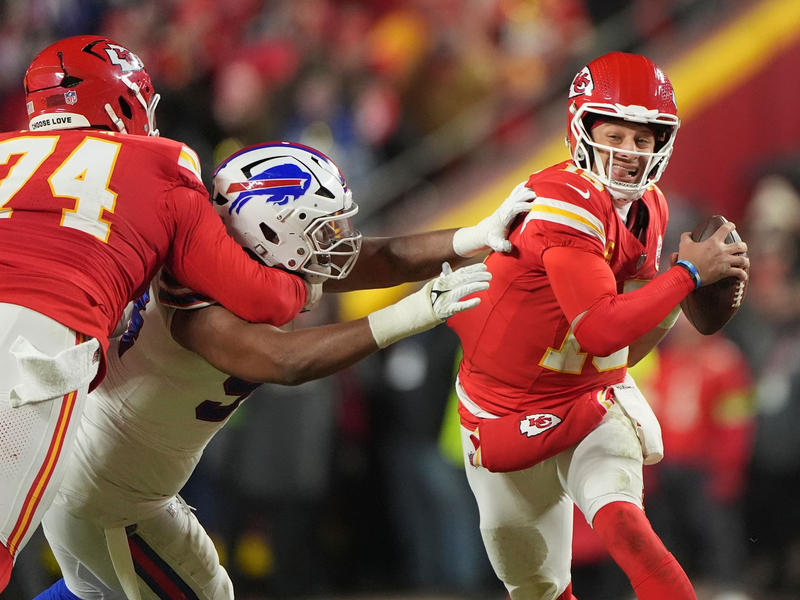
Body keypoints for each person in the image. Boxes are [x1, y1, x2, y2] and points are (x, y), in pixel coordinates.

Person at [32, 140, 532, 600]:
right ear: (269, 232)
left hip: (120, 483)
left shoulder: (247, 263)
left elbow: (383, 255)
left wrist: (478, 233)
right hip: (105, 495)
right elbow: (283, 361)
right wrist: (412, 314)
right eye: (323, 228)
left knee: (102, 595)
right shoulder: (196, 307)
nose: (339, 238)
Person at [0, 34, 315, 593]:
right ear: (124, 102)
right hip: (30, 352)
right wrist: (304, 287)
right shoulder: (160, 162)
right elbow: (262, 297)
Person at [446, 51, 750, 599]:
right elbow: (601, 330)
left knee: (626, 524)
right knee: (536, 585)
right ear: (581, 129)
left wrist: (682, 300)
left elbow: (623, 348)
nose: (631, 155)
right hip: (502, 409)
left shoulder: (650, 206)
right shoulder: (562, 202)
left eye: (643, 139)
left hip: (588, 391)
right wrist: (685, 276)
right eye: (616, 135)